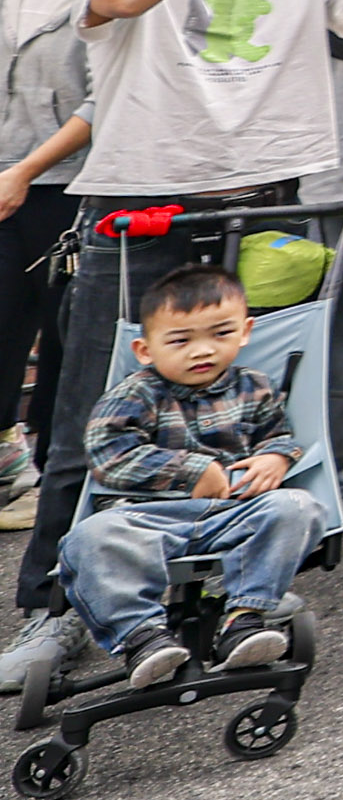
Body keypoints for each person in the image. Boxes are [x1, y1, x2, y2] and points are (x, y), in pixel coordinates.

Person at [7, 0, 343, 683]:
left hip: (273, 201)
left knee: (259, 393)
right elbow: (122, 0)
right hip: (139, 200)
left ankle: (235, 592)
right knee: (94, 407)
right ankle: (52, 608)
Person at [63, 265, 326, 688]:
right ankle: (142, 636)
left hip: (233, 512)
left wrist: (276, 457)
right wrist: (190, 471)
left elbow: (277, 435)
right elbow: (106, 452)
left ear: (245, 332)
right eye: (181, 341)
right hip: (150, 516)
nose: (201, 351)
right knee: (91, 537)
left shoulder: (253, 387)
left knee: (297, 505)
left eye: (221, 334)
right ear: (145, 350)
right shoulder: (136, 393)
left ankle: (244, 618)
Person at [0, 0, 147, 526]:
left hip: (70, 186)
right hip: (6, 177)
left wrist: (25, 171)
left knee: (64, 337)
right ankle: (10, 464)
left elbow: (103, 101)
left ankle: (64, 483)